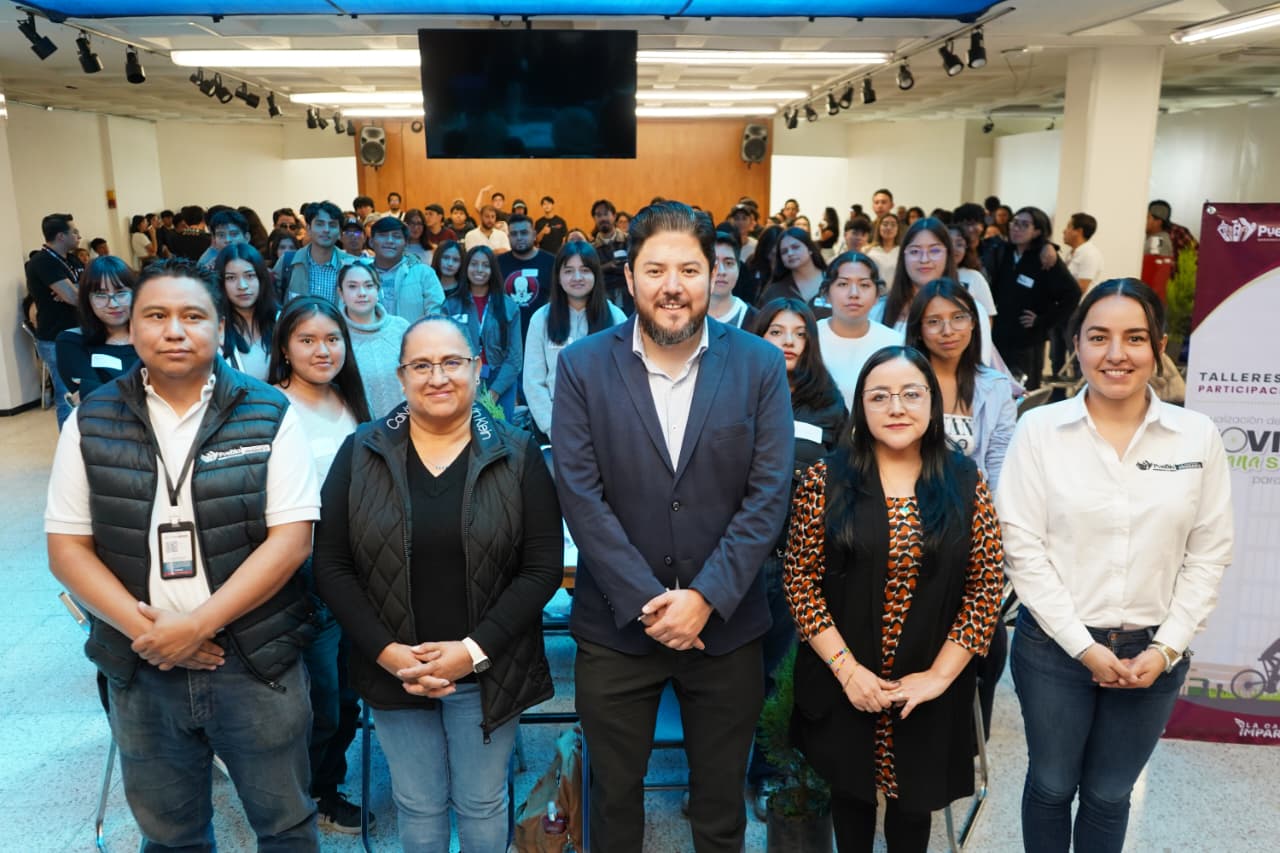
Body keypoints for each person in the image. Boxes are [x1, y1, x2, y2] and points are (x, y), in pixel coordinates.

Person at [45, 257, 322, 850]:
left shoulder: (269, 413)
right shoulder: (90, 421)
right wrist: (151, 632)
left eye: (193, 316)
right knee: (171, 837)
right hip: (142, 664)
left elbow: (292, 540)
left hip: (254, 660)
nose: (174, 330)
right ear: (132, 327)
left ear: (220, 327)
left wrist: (197, 625)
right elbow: (67, 549)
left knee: (286, 827)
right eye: (157, 315)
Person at [552, 201, 793, 853]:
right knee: (612, 801)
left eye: (689, 269)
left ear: (716, 274)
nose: (672, 286)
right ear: (629, 278)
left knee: (720, 806)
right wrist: (648, 601)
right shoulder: (582, 366)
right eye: (655, 269)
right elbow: (580, 494)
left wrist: (704, 597)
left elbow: (768, 495)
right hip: (615, 628)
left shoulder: (759, 364)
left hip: (727, 626)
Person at [996, 279, 1233, 853]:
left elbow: (1209, 551)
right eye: (1099, 337)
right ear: (1076, 343)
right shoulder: (1039, 431)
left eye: (1135, 338)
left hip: (1154, 653)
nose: (1116, 354)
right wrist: (1083, 646)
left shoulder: (1196, 436)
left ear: (1159, 347)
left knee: (1109, 793)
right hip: (1054, 648)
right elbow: (1022, 548)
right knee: (1052, 785)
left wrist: (1167, 648)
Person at [313, 315, 562, 853]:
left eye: (452, 362)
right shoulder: (361, 451)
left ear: (477, 367)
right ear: (401, 377)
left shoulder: (517, 453)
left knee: (482, 802)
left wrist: (471, 652)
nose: (438, 376)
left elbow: (542, 567)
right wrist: (388, 654)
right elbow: (330, 563)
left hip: (489, 668)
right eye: (422, 365)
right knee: (418, 803)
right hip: (394, 670)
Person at [785, 344, 1004, 853]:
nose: (897, 408)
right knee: (850, 802)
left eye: (911, 394)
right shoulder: (825, 479)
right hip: (845, 680)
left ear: (932, 403)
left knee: (913, 810)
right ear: (861, 406)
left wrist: (938, 678)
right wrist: (848, 672)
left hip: (928, 685)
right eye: (879, 396)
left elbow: (985, 585)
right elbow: (800, 582)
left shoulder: (965, 481)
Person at [267, 296, 373, 834]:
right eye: (307, 340)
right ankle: (306, 795)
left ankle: (326, 785)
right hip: (302, 573)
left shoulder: (351, 400)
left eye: (332, 339)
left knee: (350, 689)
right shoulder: (269, 407)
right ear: (285, 348)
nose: (322, 350)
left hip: (358, 567)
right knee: (320, 697)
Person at [746, 296, 847, 818]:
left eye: (799, 333)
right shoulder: (731, 392)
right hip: (737, 558)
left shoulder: (828, 404)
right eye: (776, 331)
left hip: (796, 562)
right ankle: (714, 775)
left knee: (782, 675)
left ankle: (771, 775)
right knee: (729, 676)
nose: (788, 341)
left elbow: (844, 479)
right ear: (756, 335)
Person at [522, 240, 626, 440]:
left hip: (606, 426)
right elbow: (533, 382)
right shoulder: (541, 319)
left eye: (585, 270)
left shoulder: (616, 318)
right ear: (558, 277)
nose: (577, 277)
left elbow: (624, 379)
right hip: (556, 425)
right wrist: (553, 427)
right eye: (569, 271)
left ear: (595, 274)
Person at [877, 218, 997, 367]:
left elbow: (978, 370)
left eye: (934, 250)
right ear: (903, 256)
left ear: (948, 254)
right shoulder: (879, 310)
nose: (924, 259)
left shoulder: (973, 311)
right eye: (915, 251)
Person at [989, 207, 1080, 390]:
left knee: (1024, 391)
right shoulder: (1004, 252)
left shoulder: (1045, 258)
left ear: (1037, 231)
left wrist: (1043, 320)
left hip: (1027, 340)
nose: (1017, 228)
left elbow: (1072, 294)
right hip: (999, 337)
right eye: (1015, 223)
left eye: (1024, 225)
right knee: (997, 389)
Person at [816, 251, 903, 409]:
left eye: (864, 285)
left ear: (877, 295)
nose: (854, 294)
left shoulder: (894, 342)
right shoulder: (809, 337)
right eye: (843, 284)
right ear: (826, 293)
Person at [444, 245, 523, 419]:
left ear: (493, 270)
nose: (479, 269)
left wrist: (494, 392)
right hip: (462, 381)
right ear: (466, 268)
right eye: (474, 264)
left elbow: (515, 358)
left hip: (500, 380)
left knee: (500, 433)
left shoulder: (509, 307)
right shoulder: (451, 305)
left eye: (486, 265)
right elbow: (443, 351)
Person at [55, 255, 139, 404]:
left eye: (121, 293)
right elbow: (93, 403)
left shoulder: (152, 337)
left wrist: (96, 389)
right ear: (87, 300)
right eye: (101, 296)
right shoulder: (71, 341)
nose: (113, 304)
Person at [27, 213, 85, 427]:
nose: (79, 235)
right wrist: (74, 292)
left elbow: (90, 287)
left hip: (79, 332)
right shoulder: (42, 262)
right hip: (56, 338)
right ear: (61, 236)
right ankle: (68, 445)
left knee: (85, 392)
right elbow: (73, 298)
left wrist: (76, 289)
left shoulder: (72, 259)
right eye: (74, 232)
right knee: (67, 396)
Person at [336, 261, 410, 418]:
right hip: (360, 428)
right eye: (352, 286)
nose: (361, 293)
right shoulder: (335, 335)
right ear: (341, 293)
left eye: (369, 285)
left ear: (378, 290)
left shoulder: (400, 328)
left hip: (409, 423)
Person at [216, 243, 278, 381]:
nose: (242, 286)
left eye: (250, 276)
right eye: (231, 278)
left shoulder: (282, 321)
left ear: (261, 278)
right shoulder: (215, 329)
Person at [368, 215, 446, 322]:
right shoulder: (359, 274)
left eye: (396, 236)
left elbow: (437, 314)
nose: (390, 241)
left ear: (405, 244)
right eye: (383, 235)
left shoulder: (424, 273)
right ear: (371, 242)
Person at [498, 213, 555, 341]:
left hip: (542, 334)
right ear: (508, 237)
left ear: (534, 235)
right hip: (507, 336)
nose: (519, 238)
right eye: (514, 234)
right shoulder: (498, 263)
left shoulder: (551, 262)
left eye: (524, 233)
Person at [286, 201, 355, 304]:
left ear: (340, 233)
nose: (326, 230)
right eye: (319, 224)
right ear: (308, 229)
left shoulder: (352, 265)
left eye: (332, 225)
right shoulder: (288, 261)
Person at [758, 226, 828, 307]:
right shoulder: (775, 291)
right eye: (784, 251)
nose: (790, 253)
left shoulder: (832, 281)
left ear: (810, 249)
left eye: (795, 247)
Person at [947, 223, 998, 321]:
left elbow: (988, 316)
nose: (954, 249)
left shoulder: (975, 277)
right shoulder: (930, 275)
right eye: (949, 243)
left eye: (959, 244)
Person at [708, 230, 757, 329]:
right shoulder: (684, 316)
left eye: (729, 263)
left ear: (738, 268)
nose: (721, 271)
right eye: (713, 263)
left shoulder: (756, 320)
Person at [591, 198, 631, 312]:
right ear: (594, 219)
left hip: (629, 298)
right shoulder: (591, 248)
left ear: (614, 216)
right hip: (604, 300)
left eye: (606, 214)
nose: (603, 218)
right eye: (598, 215)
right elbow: (590, 271)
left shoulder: (629, 240)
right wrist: (608, 266)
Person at [740, 224, 782, 307]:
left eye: (777, 246)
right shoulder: (752, 261)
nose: (774, 250)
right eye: (771, 245)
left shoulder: (786, 269)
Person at [866, 212, 902, 288]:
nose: (889, 228)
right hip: (874, 293)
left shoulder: (903, 252)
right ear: (879, 227)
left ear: (898, 229)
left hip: (897, 293)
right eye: (885, 224)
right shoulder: (869, 251)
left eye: (893, 225)